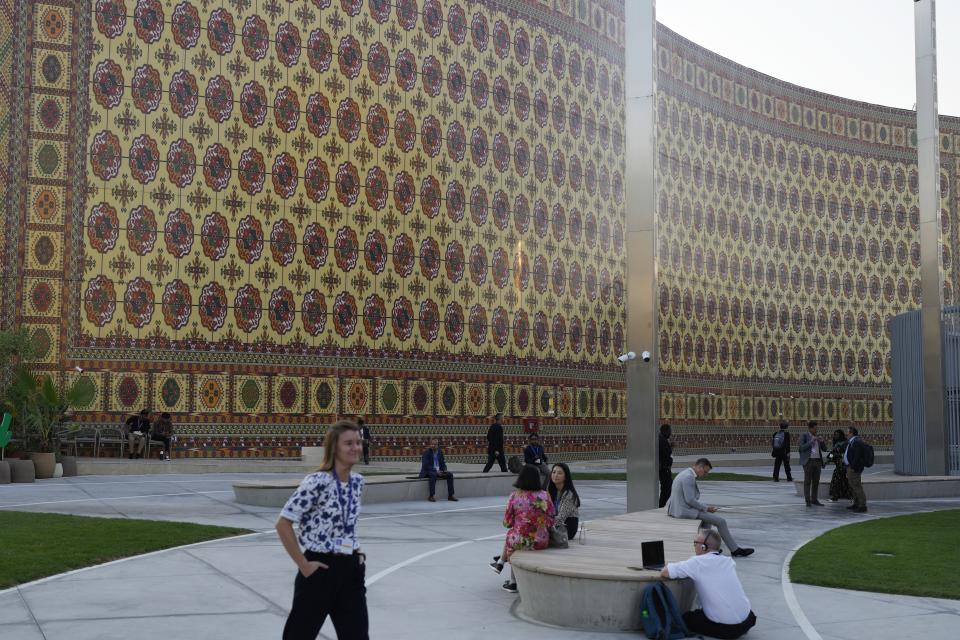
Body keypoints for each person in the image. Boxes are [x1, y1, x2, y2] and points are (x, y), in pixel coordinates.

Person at [276, 420, 368, 640]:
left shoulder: (358, 482)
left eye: (358, 442)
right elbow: (283, 523)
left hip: (351, 569)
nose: (355, 447)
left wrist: (357, 553)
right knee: (299, 635)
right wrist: (303, 565)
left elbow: (346, 523)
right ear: (334, 447)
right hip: (320, 569)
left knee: (357, 636)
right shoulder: (316, 481)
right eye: (349, 443)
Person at [660, 529, 757, 639]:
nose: (694, 546)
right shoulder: (728, 561)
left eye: (695, 543)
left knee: (687, 618)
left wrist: (669, 565)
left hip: (728, 629)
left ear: (703, 547)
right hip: (748, 621)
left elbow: (665, 572)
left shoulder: (697, 562)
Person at [667, 458, 754, 557]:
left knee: (707, 520)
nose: (705, 475)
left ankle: (706, 548)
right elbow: (690, 500)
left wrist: (705, 508)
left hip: (679, 509)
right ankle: (735, 550)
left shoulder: (685, 473)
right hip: (683, 511)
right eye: (705, 472)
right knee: (721, 521)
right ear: (700, 467)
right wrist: (706, 508)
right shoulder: (688, 477)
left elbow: (688, 499)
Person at [490, 464, 555, 593]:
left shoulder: (515, 496)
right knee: (515, 536)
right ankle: (502, 565)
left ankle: (513, 582)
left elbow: (507, 522)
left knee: (512, 536)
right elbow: (551, 518)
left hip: (520, 540)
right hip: (541, 540)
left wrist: (518, 523)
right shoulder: (545, 495)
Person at [546, 462, 580, 540]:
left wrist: (543, 524)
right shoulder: (551, 491)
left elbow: (561, 518)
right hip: (554, 525)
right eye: (554, 472)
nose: (556, 475)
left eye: (559, 473)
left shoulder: (569, 494)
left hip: (566, 529)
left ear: (565, 477)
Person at [418, 437, 458, 502]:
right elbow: (426, 465)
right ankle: (431, 496)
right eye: (432, 444)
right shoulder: (426, 452)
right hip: (428, 471)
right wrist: (436, 471)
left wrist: (444, 469)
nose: (433, 446)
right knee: (433, 475)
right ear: (430, 444)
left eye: (435, 444)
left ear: (437, 445)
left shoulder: (440, 452)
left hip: (439, 471)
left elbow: (443, 463)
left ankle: (450, 495)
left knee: (450, 474)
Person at [798, 420, 825, 506]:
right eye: (815, 428)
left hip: (817, 461)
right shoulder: (804, 436)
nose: (816, 430)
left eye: (817, 428)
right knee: (807, 481)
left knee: (816, 481)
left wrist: (822, 441)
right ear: (810, 428)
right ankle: (807, 500)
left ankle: (814, 499)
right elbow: (801, 448)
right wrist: (811, 441)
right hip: (808, 461)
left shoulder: (817, 437)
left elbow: (825, 449)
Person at [844, 427, 868, 513]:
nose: (846, 434)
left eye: (848, 432)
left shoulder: (856, 442)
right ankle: (856, 503)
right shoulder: (852, 442)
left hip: (853, 468)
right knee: (853, 486)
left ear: (852, 433)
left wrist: (852, 467)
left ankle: (862, 505)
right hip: (850, 467)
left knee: (856, 486)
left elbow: (857, 456)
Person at [827, 429, 852, 501]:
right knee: (837, 480)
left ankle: (847, 495)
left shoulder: (845, 443)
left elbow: (845, 453)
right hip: (838, 465)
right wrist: (828, 460)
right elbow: (832, 453)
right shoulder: (836, 443)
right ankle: (836, 495)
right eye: (835, 435)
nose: (835, 436)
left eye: (837, 435)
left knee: (844, 480)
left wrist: (838, 454)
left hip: (843, 464)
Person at [658, 423, 674, 508]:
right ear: (666, 431)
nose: (671, 433)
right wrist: (671, 447)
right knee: (667, 488)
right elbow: (667, 453)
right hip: (664, 469)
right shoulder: (662, 440)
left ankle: (661, 504)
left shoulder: (662, 439)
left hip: (664, 468)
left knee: (666, 488)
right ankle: (660, 505)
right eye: (670, 431)